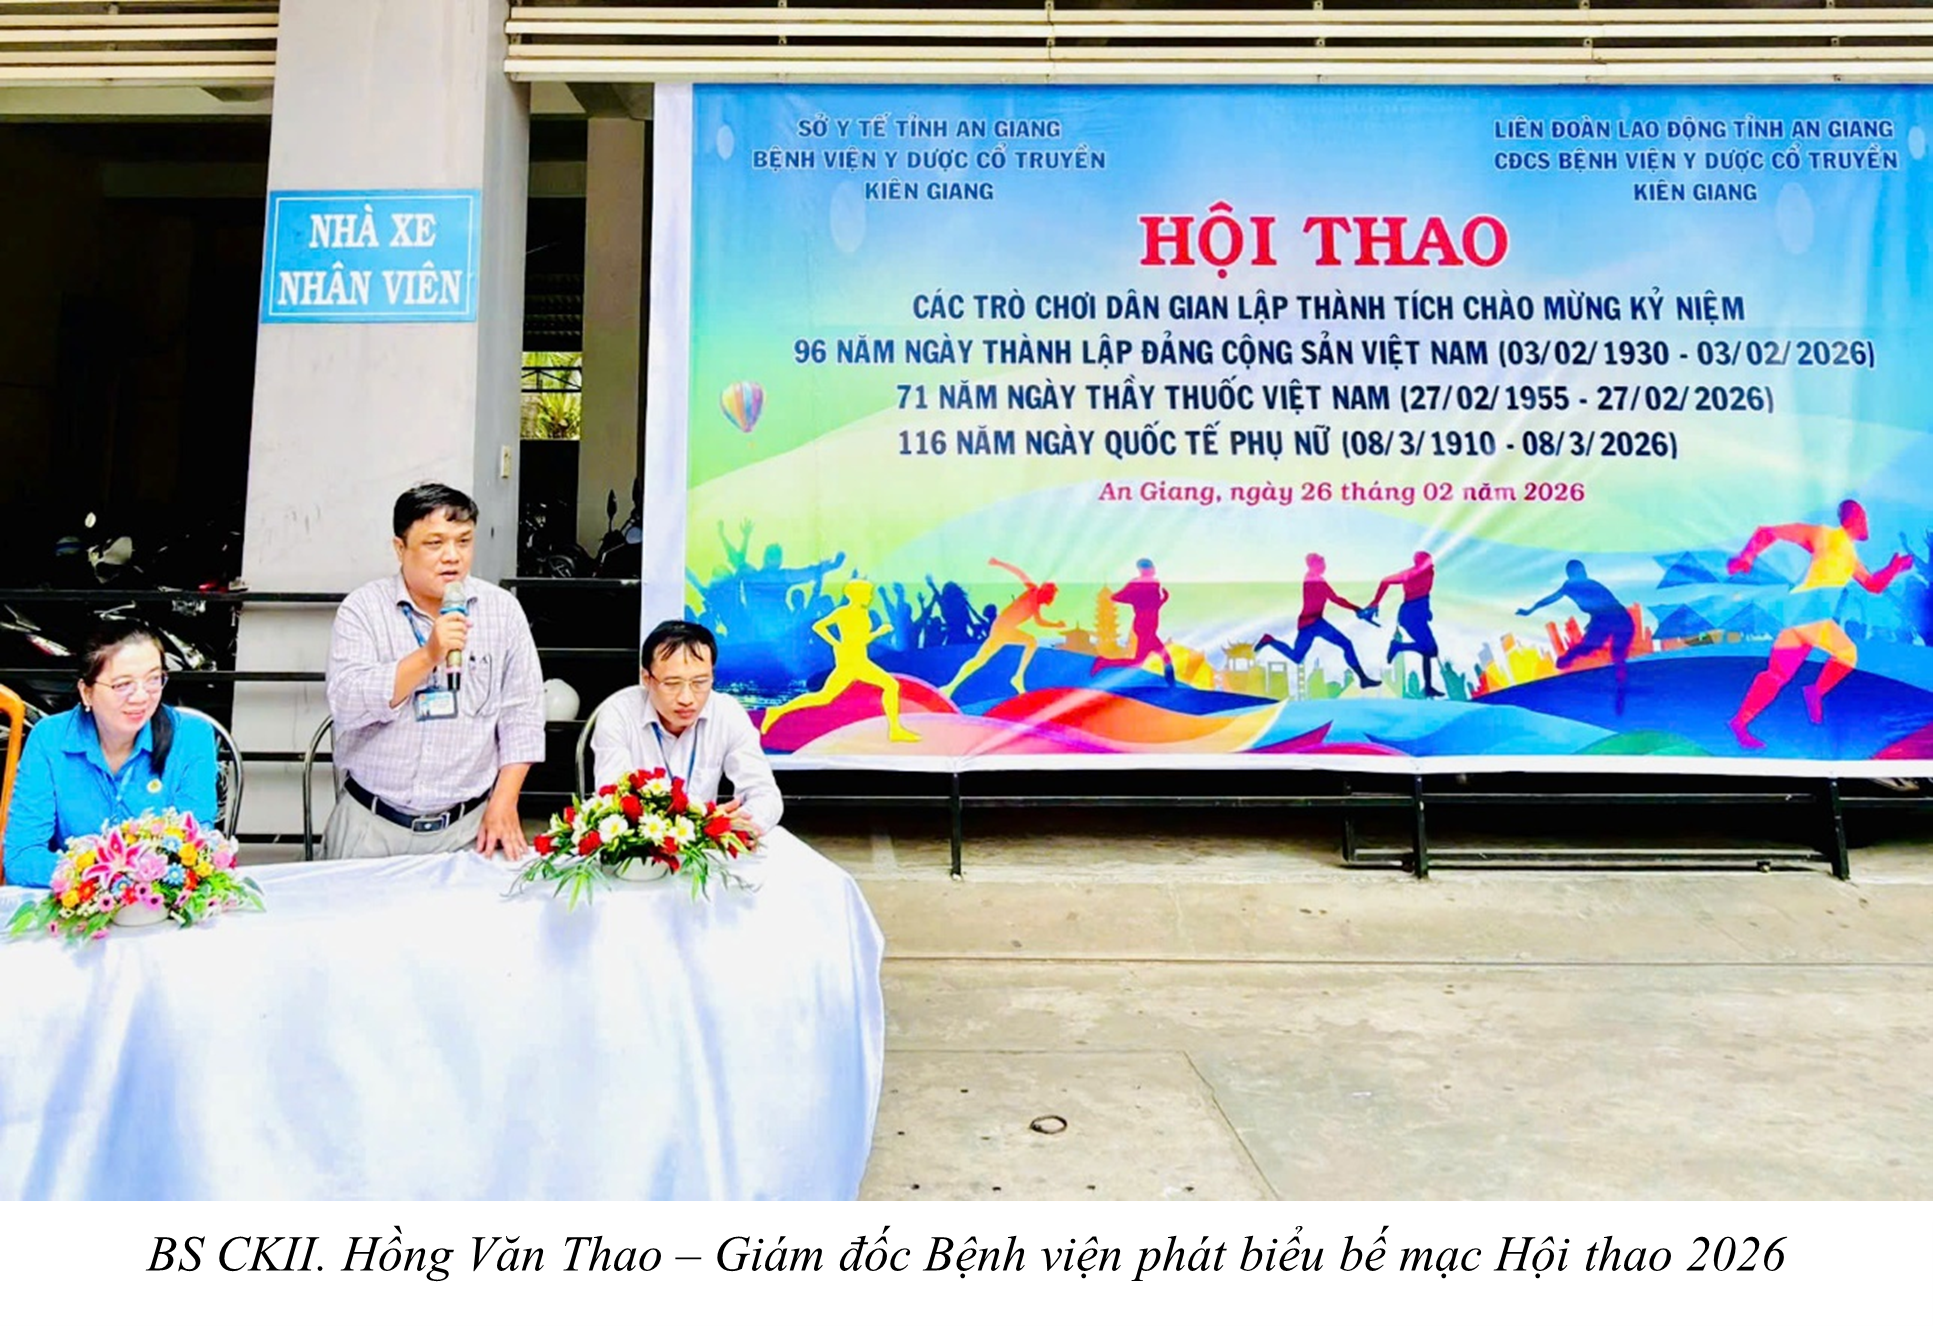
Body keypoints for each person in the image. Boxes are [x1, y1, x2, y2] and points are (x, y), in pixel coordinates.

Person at [323, 483, 544, 860]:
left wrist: (504, 801)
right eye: (435, 543)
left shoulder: (502, 611)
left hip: (467, 828)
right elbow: (347, 703)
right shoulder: (363, 609)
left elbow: (522, 714)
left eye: (464, 541)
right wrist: (428, 655)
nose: (452, 556)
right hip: (372, 824)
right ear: (400, 548)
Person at [3, 622, 217, 888]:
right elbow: (21, 858)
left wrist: (121, 880)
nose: (141, 697)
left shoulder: (192, 737)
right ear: (87, 692)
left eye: (153, 679)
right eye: (123, 684)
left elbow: (195, 846)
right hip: (74, 902)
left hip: (160, 902)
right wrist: (102, 875)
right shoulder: (49, 739)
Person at [1725, 499, 1913, 750]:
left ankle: (1739, 722)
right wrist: (1747, 556)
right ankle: (1814, 691)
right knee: (1847, 653)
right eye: (1864, 518)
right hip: (1809, 612)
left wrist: (1893, 568)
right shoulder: (1823, 535)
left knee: (1776, 675)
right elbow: (1770, 532)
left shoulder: (1850, 556)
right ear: (1856, 517)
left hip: (1799, 616)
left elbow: (1872, 585)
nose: (1867, 523)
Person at [591, 620, 781, 839]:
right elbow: (611, 799)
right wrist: (699, 825)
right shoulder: (619, 714)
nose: (686, 698)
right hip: (640, 847)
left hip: (707, 848)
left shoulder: (727, 713)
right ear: (647, 679)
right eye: (672, 684)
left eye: (700, 682)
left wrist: (746, 823)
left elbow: (764, 793)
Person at [760, 580, 920, 741]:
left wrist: (841, 642)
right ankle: (777, 710)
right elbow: (822, 627)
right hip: (851, 662)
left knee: (829, 696)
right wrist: (875, 633)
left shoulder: (862, 613)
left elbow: (853, 638)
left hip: (859, 661)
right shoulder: (845, 613)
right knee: (826, 697)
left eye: (870, 594)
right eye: (867, 594)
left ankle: (895, 730)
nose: (870, 597)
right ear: (856, 595)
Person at [1517, 559, 1634, 714]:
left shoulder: (1591, 585)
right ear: (1571, 575)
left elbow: (1607, 604)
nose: (1582, 575)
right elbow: (1550, 599)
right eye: (1578, 573)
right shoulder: (1570, 587)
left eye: (1583, 572)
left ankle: (1621, 695)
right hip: (1607, 620)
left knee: (1617, 656)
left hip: (1620, 619)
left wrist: (1595, 622)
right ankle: (1569, 659)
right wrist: (1530, 610)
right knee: (1590, 649)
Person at [940, 557, 1066, 698]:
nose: (1050, 598)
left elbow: (1039, 622)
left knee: (1031, 642)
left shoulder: (1036, 606)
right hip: (1002, 628)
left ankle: (1018, 678)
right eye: (1051, 594)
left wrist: (1056, 625)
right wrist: (998, 563)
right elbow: (1018, 573)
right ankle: (951, 686)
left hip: (1007, 630)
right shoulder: (1032, 591)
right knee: (979, 660)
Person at [1257, 553, 1380, 690]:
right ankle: (1363, 679)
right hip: (1314, 623)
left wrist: (1356, 610)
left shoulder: (1312, 578)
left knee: (1297, 657)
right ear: (1314, 565)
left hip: (1309, 623)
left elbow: (1333, 598)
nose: (1324, 566)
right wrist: (1356, 609)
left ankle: (1269, 640)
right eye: (1321, 563)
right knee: (1346, 644)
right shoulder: (1315, 580)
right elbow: (1335, 599)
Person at [1363, 551, 1445, 697]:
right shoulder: (1411, 574)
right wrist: (1375, 602)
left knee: (1429, 650)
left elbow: (1424, 593)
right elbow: (1385, 581)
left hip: (1416, 614)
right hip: (1411, 615)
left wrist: (1427, 610)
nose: (1431, 565)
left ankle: (1428, 687)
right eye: (1427, 562)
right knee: (1430, 650)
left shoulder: (1427, 573)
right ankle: (1398, 646)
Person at [1090, 557, 1176, 684]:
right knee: (1143, 661)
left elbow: (1153, 606)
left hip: (1151, 627)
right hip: (1144, 627)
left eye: (1151, 567)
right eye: (1148, 568)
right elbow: (1117, 597)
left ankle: (1172, 686)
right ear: (1142, 570)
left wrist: (1163, 600)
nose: (1152, 570)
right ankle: (1103, 662)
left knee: (1164, 658)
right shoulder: (1137, 585)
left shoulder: (1154, 584)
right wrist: (1133, 598)